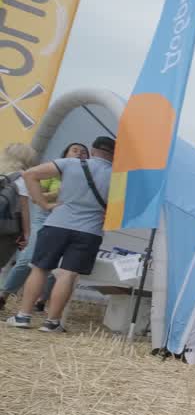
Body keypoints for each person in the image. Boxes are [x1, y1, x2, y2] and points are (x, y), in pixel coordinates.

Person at [6, 136, 114, 332]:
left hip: (57, 224)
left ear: (92, 150)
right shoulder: (118, 176)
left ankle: (23, 316)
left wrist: (43, 203)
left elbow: (30, 174)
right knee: (67, 274)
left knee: (39, 269)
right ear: (114, 154)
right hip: (90, 230)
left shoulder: (69, 164)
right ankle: (52, 323)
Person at [0, 142, 85, 312]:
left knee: (58, 266)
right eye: (75, 150)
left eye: (84, 152)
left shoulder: (87, 178)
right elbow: (35, 197)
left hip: (69, 222)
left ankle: (42, 300)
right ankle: (4, 295)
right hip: (44, 218)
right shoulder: (50, 173)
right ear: (65, 155)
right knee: (26, 260)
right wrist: (56, 195)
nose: (79, 154)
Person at [0, 142, 39, 268]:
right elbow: (23, 208)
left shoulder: (2, 172)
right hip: (6, 230)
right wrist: (26, 234)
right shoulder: (21, 177)